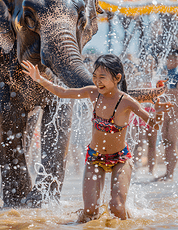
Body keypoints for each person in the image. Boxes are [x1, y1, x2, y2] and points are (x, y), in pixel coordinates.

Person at [21, 54, 173, 221]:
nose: (97, 81)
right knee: (90, 210)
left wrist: (158, 112)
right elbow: (63, 92)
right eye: (94, 76)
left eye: (102, 77)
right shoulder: (92, 93)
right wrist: (39, 79)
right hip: (95, 157)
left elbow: (155, 124)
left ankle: (129, 222)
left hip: (120, 159)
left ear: (117, 78)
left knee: (117, 208)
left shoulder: (127, 102)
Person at [157, 49, 178, 181]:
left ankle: (170, 174)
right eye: (170, 58)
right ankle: (167, 172)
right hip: (165, 114)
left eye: (174, 58)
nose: (172, 61)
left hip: (175, 114)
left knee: (172, 143)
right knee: (166, 143)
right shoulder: (164, 72)